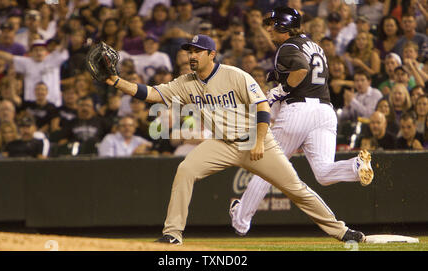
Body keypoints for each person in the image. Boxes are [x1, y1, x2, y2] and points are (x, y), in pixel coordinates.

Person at [99, 32, 365, 244]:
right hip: (221, 144)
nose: (191, 56)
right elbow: (151, 93)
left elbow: (262, 105)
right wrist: (115, 81)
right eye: (188, 51)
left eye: (196, 51)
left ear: (211, 54)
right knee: (185, 170)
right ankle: (173, 233)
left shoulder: (235, 75)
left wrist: (260, 141)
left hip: (254, 140)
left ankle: (341, 231)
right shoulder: (185, 82)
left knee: (296, 189)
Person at [228, 7, 374, 237]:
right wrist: (280, 78)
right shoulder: (314, 45)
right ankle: (355, 167)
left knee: (266, 168)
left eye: (273, 24)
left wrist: (280, 89)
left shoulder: (287, 46)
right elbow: (306, 69)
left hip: (298, 110)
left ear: (284, 26)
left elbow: (301, 69)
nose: (269, 29)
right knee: (324, 173)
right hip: (325, 111)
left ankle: (241, 220)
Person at [0, 39, 69, 107]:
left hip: (53, 104)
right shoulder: (27, 62)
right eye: (36, 50)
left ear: (46, 52)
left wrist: (67, 33)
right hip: (32, 105)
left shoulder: (53, 59)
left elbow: (63, 46)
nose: (39, 52)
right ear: (31, 53)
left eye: (41, 50)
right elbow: (8, 57)